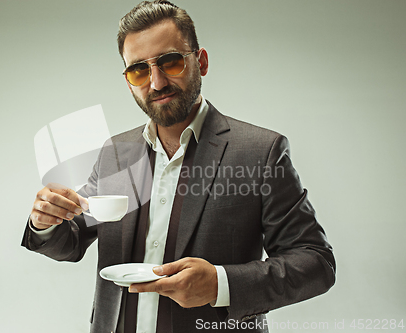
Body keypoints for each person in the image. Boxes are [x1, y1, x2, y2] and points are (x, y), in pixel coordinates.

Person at [21, 1, 336, 332]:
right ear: (128, 80)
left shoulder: (260, 152)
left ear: (200, 62)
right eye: (139, 70)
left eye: (170, 62)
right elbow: (71, 240)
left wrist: (219, 283)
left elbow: (316, 262)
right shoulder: (117, 153)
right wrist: (46, 221)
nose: (156, 83)